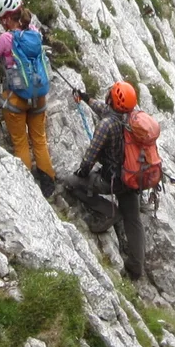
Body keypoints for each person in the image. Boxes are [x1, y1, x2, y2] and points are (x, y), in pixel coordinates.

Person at [64, 81, 149, 279]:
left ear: (112, 99)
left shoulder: (106, 125)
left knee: (70, 182)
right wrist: (85, 97)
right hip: (132, 179)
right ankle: (136, 268)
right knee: (134, 221)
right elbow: (102, 108)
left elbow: (90, 157)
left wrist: (81, 173)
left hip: (111, 180)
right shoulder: (133, 118)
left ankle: (109, 211)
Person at [0, 0, 53, 194]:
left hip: (17, 97)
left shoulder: (6, 38)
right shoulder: (34, 32)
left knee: (21, 141)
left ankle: (27, 188)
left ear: (6, 19)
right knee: (39, 139)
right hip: (39, 96)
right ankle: (48, 185)